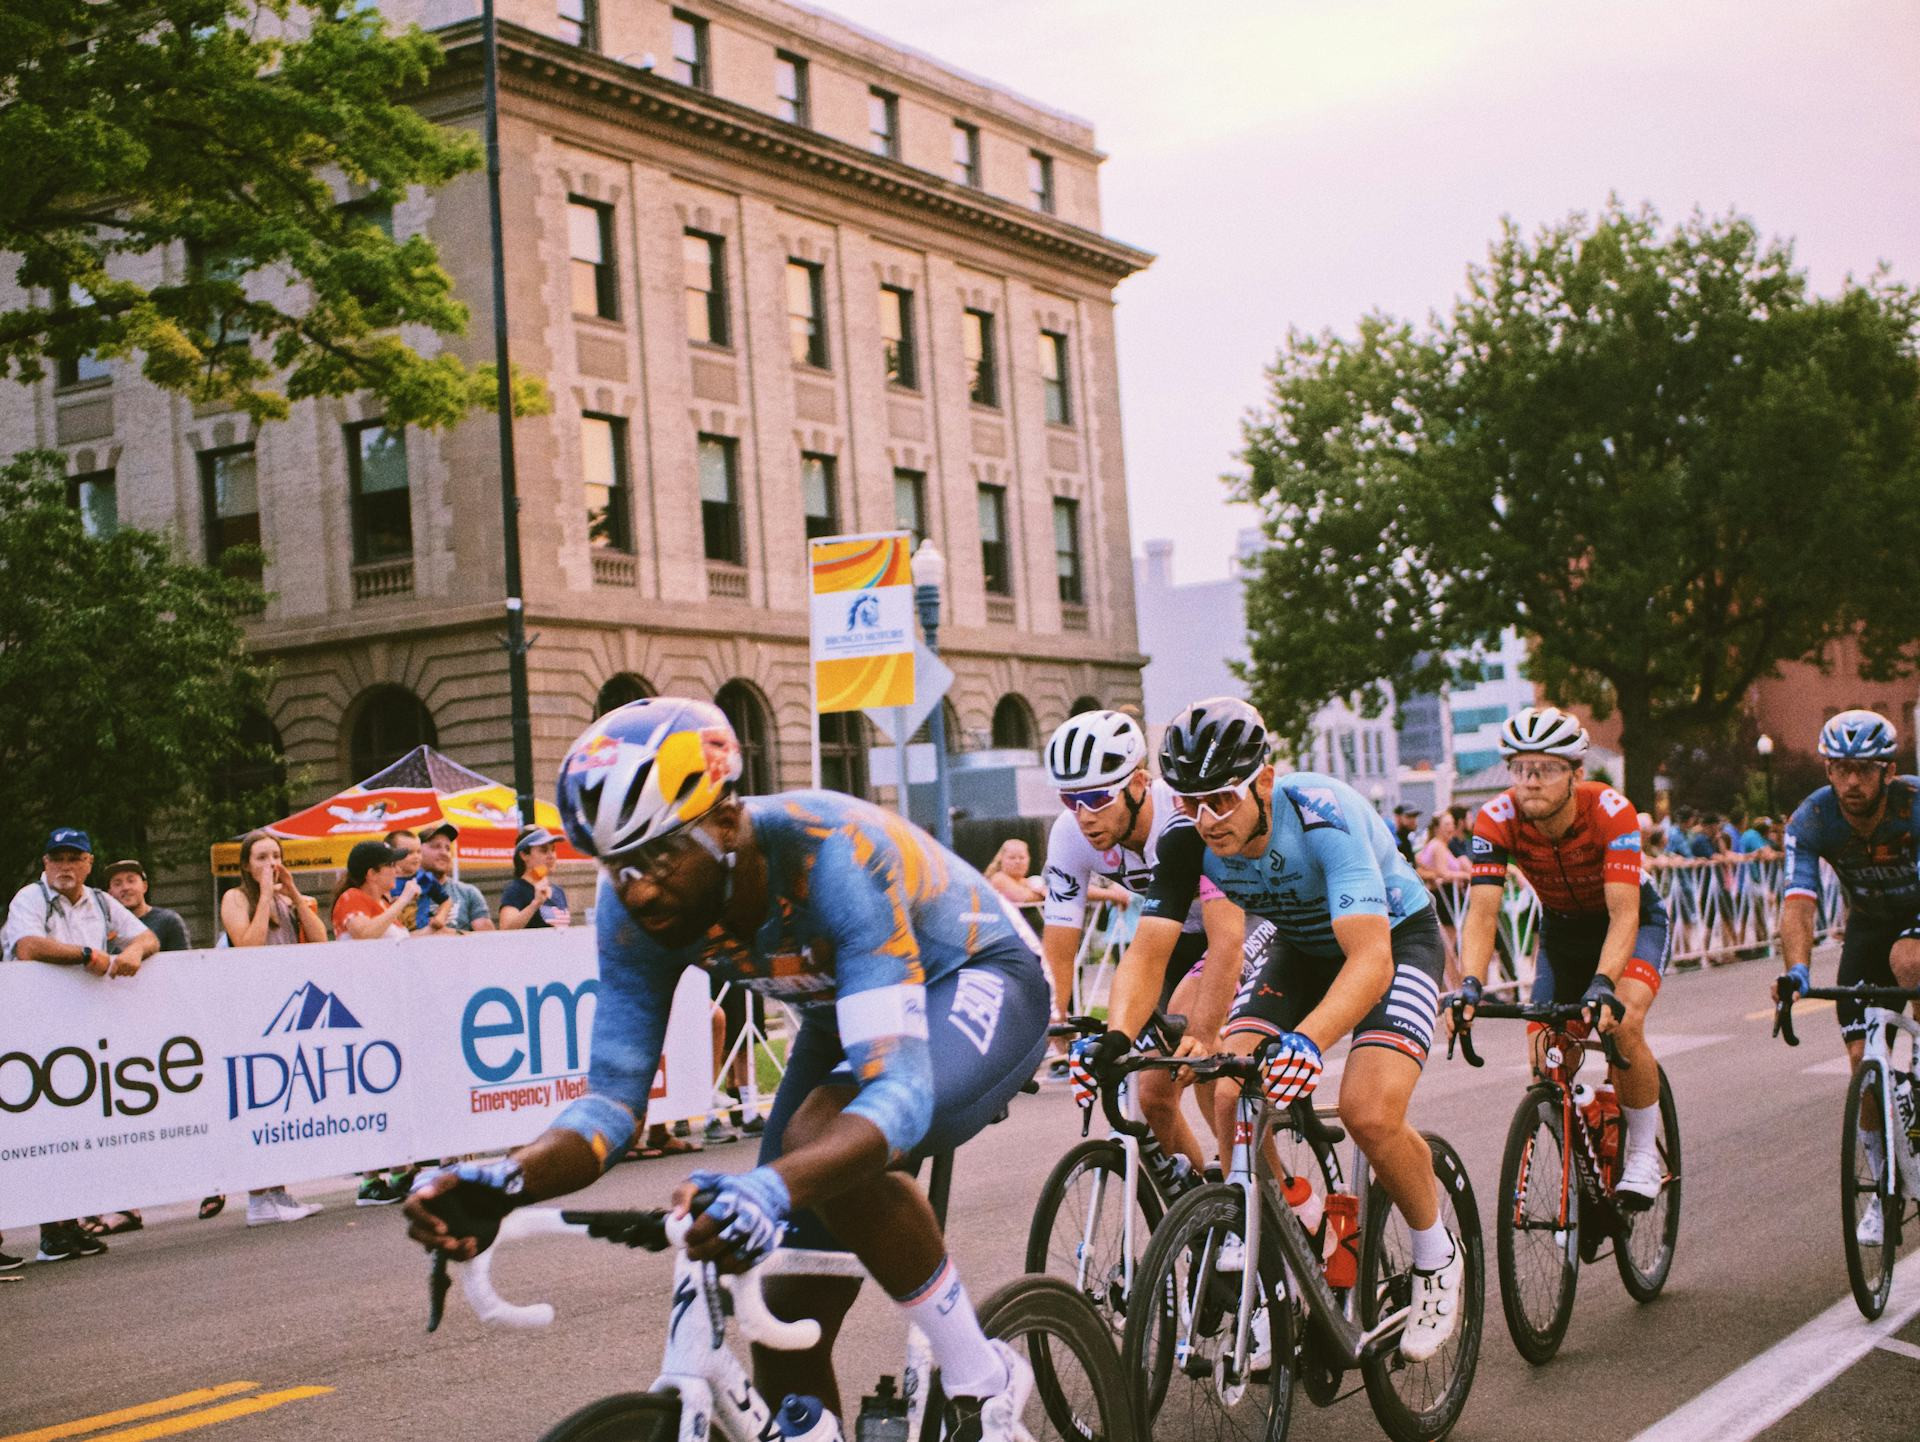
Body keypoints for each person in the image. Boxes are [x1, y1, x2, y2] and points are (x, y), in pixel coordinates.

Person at [406, 698, 1050, 1437]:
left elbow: (898, 1094)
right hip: (837, 1013)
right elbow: (610, 1109)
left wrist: (770, 1188)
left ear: (726, 822)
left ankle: (983, 1376)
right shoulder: (632, 914)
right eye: (616, 865)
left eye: (658, 855)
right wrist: (510, 1179)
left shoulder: (832, 851)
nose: (638, 887)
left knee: (814, 1141)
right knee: (781, 1321)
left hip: (975, 977)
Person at [1084, 698, 1461, 1363]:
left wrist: (1308, 1043)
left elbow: (1370, 962)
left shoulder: (1322, 815)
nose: (1207, 819)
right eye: (1191, 801)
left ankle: (1437, 1256)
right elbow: (1146, 953)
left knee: (1368, 1112)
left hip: (1394, 942)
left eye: (1222, 799)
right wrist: (1116, 1037)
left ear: (1264, 779)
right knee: (1228, 1093)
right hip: (1300, 947)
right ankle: (1294, 1244)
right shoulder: (1187, 838)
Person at [1453, 707, 1671, 1212]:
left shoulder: (1610, 810)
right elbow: (1482, 914)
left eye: (1546, 768)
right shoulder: (1496, 818)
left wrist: (1603, 983)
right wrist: (1470, 984)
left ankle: (1642, 1155)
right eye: (1520, 767)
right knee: (1544, 1061)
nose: (1530, 780)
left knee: (1623, 1023)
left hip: (1630, 923)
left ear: (1576, 773)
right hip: (1563, 931)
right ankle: (1588, 1132)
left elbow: (1624, 915)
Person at [1038, 709, 1248, 1163]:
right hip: (1174, 936)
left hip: (1239, 922)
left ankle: (1252, 1189)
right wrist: (1055, 1015)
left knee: (1198, 1046)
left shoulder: (1184, 814)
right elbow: (1060, 940)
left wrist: (1203, 1030)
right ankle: (1198, 1197)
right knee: (1151, 1096)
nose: (1084, 816)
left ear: (1138, 784)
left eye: (1097, 798)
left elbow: (1226, 942)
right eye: (1070, 800)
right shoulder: (1069, 835)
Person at [1773, 710, 1920, 1247]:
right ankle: (1885, 1187)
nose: (1851, 781)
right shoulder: (1812, 818)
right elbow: (1799, 900)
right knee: (1862, 1062)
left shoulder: (1913, 804)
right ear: (1828, 770)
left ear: (1889, 771)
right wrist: (1796, 971)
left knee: (1909, 959)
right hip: (1868, 927)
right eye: (1840, 769)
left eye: (1863, 769)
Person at [3, 828, 161, 1262]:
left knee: (68, 1132)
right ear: (45, 862)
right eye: (57, 858)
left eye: (75, 858)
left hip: (76, 1034)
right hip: (27, 1032)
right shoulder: (30, 898)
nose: (65, 867)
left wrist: (134, 953)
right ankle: (45, 1231)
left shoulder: (100, 901)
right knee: (28, 1134)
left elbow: (146, 936)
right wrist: (88, 955)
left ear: (89, 864)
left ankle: (63, 1226)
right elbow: (27, 946)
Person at [215, 830, 328, 1224]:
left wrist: (293, 893)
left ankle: (278, 1191)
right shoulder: (236, 898)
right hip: (251, 1007)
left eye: (276, 856)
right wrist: (264, 895)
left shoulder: (286, 899)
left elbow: (320, 940)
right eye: (261, 857)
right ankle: (258, 1197)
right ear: (247, 865)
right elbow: (248, 945)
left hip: (284, 1004)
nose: (271, 864)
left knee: (284, 1102)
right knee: (259, 1101)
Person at [1416, 811, 1472, 985]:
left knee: (1448, 945)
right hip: (1445, 897)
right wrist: (1466, 876)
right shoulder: (1438, 846)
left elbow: (1424, 866)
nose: (1451, 828)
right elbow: (1443, 873)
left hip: (1446, 895)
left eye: (1452, 824)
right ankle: (1451, 986)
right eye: (1446, 824)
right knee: (1448, 946)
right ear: (1437, 828)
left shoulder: (1437, 845)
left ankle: (1451, 984)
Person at [331, 839, 417, 941]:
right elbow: (364, 934)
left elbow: (400, 940)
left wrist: (431, 930)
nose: (398, 870)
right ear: (372, 873)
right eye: (391, 865)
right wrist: (403, 900)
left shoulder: (384, 904)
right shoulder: (352, 897)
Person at [416, 822, 493, 932]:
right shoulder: (402, 890)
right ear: (418, 852)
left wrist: (450, 933)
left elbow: (487, 937)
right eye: (436, 846)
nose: (444, 853)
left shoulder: (468, 892)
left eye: (448, 848)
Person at [102, 859, 191, 952]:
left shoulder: (168, 921)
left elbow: (184, 959)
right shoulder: (104, 929)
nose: (125, 888)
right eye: (117, 884)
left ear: (144, 886)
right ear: (110, 894)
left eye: (131, 881)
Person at [499, 826, 570, 929]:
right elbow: (505, 930)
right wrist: (535, 904)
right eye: (543, 850)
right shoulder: (516, 889)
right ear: (524, 855)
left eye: (553, 849)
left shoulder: (558, 891)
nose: (551, 856)